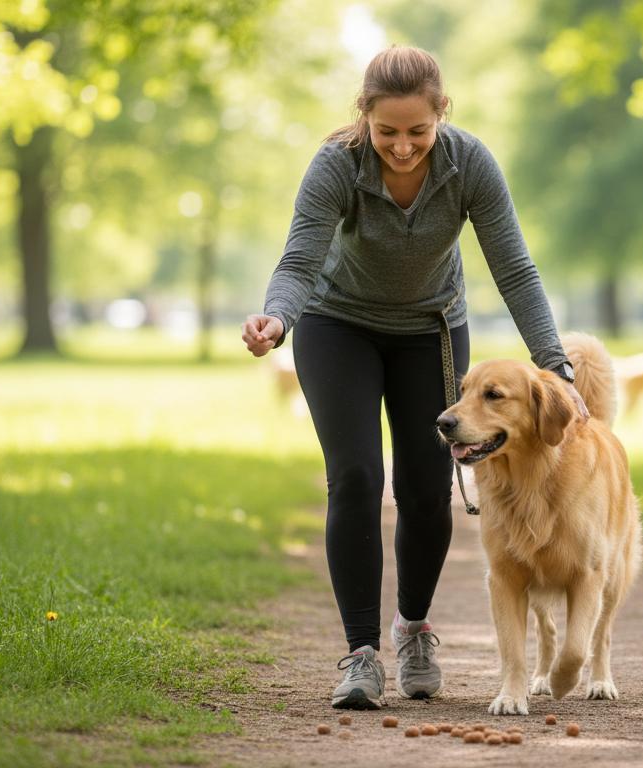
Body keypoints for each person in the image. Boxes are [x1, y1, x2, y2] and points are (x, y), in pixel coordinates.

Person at [240, 46, 587, 711]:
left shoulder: (469, 164)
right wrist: (276, 321)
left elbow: (514, 269)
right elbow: (299, 260)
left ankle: (414, 629)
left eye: (417, 132)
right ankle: (362, 653)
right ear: (364, 116)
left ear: (441, 115)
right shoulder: (336, 165)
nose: (402, 147)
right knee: (357, 478)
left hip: (430, 330)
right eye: (387, 131)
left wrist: (557, 365)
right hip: (336, 325)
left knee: (428, 489)